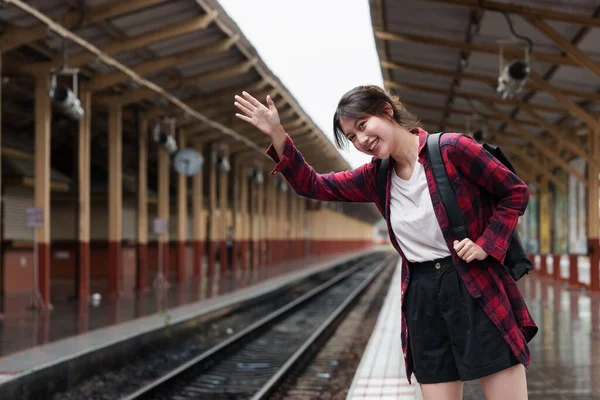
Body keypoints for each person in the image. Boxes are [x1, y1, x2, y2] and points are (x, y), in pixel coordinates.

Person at [234, 85, 537, 400]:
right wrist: (278, 135)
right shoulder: (375, 177)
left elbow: (514, 191)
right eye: (352, 137)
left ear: (386, 110)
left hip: (475, 285)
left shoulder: (452, 150)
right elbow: (314, 185)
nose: (361, 140)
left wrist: (487, 243)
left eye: (363, 125)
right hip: (422, 296)